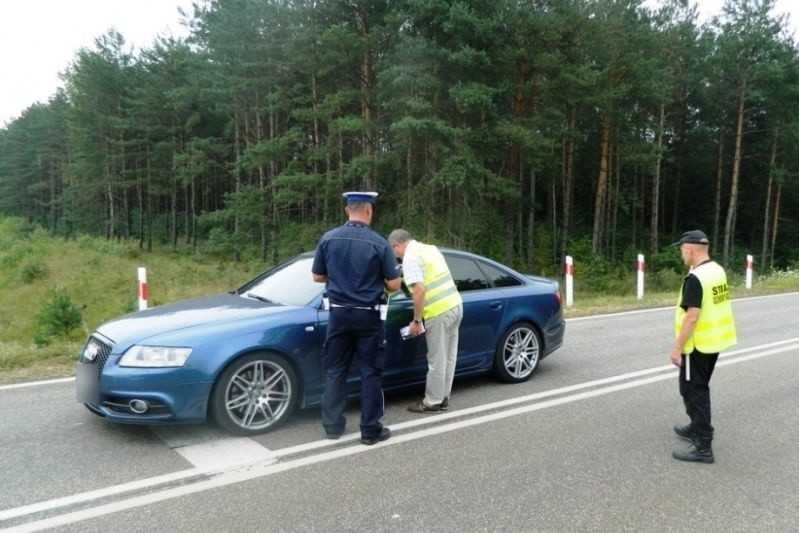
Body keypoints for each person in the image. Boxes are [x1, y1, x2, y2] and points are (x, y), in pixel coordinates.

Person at [312, 191, 401, 445]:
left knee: (335, 369)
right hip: (367, 317)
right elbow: (394, 285)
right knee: (370, 372)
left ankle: (332, 426)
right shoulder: (379, 242)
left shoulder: (328, 238)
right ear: (369, 211)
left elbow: (317, 277)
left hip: (338, 314)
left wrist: (340, 279)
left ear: (346, 210)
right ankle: (370, 430)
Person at [669, 229, 737, 463]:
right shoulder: (716, 270)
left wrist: (677, 347)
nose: (681, 254)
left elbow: (692, 317)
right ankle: (696, 426)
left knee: (692, 390)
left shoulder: (695, 279)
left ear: (690, 249)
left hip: (697, 345)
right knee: (699, 387)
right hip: (714, 342)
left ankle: (703, 445)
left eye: (681, 250)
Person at [388, 229, 463, 413]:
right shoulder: (429, 249)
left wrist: (416, 320)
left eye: (393, 250)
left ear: (397, 245)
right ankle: (444, 396)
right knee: (449, 357)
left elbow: (419, 290)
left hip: (438, 312)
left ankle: (432, 401)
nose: (395, 255)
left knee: (436, 359)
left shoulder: (410, 258)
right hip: (455, 305)